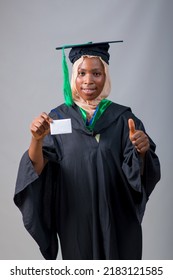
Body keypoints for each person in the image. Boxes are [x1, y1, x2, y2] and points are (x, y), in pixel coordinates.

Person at [14, 41, 161, 260]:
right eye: (81, 73)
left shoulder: (123, 119)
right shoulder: (57, 119)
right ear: (73, 76)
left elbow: (139, 175)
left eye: (96, 73)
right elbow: (36, 168)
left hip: (117, 219)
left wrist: (141, 150)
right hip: (75, 220)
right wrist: (36, 139)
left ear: (106, 75)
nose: (88, 80)